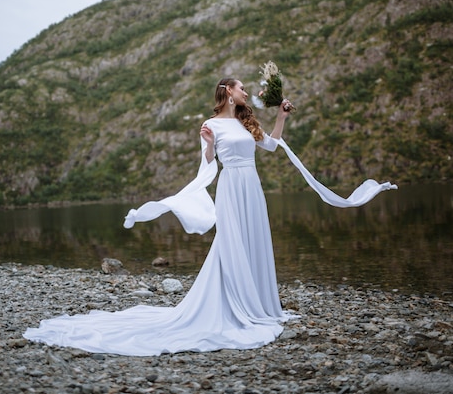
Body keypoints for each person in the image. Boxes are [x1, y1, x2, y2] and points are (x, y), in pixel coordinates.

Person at [24, 77, 396, 356]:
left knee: (254, 240)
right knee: (231, 241)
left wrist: (281, 116)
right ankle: (234, 304)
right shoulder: (212, 125)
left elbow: (270, 145)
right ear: (226, 91)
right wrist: (205, 144)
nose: (247, 94)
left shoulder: (247, 122)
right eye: (242, 89)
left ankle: (261, 305)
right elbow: (206, 165)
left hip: (252, 186)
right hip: (231, 187)